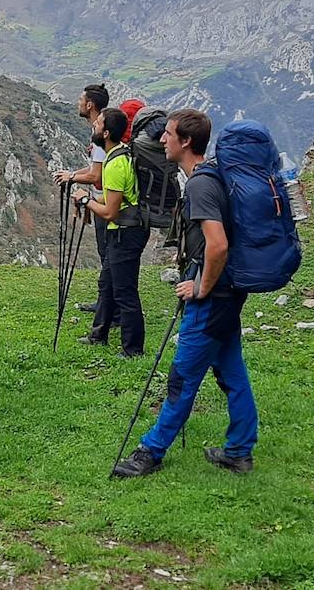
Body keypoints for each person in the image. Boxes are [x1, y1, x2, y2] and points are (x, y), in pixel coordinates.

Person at [112, 110, 258, 478]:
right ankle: (239, 450)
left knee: (182, 377)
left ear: (186, 141)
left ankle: (150, 451)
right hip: (230, 292)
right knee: (231, 371)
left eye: (169, 134)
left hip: (213, 298)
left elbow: (218, 245)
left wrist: (201, 287)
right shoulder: (211, 176)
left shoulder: (200, 185)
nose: (162, 139)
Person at [72, 108, 147, 358]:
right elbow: (114, 197)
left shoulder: (114, 164)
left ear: (105, 133)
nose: (93, 127)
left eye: (98, 125)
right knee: (108, 283)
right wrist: (93, 198)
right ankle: (99, 335)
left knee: (125, 292)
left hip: (125, 233)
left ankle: (132, 350)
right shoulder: (120, 154)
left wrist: (85, 201)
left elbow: (110, 212)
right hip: (125, 231)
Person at [51, 83, 114, 344]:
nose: (78, 102)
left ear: (90, 105)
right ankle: (107, 305)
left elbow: (96, 174)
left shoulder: (101, 134)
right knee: (106, 258)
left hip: (103, 201)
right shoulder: (101, 128)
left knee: (107, 257)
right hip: (102, 198)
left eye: (80, 99)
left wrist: (71, 177)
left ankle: (110, 310)